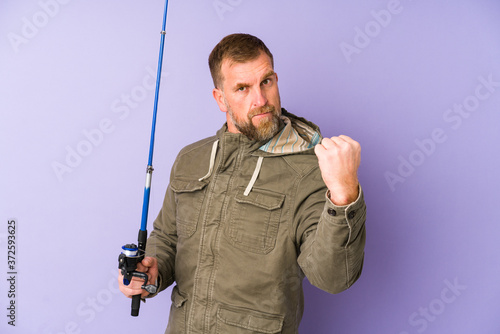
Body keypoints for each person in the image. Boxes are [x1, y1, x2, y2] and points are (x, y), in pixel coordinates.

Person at [119, 33, 366, 334]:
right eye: (242, 88)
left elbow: (333, 278)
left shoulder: (311, 169)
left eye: (266, 82)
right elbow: (168, 238)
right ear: (220, 98)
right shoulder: (191, 159)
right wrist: (153, 270)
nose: (260, 101)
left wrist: (344, 195)